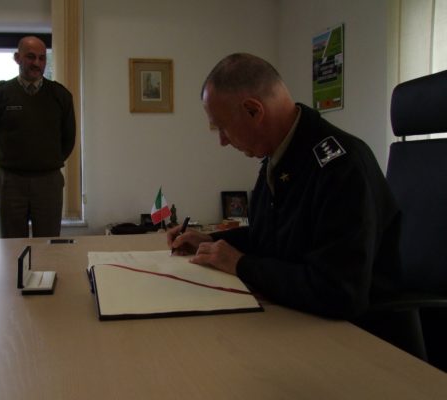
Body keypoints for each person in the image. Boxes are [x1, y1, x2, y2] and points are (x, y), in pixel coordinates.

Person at [168, 53, 401, 320]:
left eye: (223, 127)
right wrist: (210, 241)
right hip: (295, 316)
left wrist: (241, 265)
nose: (222, 141)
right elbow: (270, 240)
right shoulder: (280, 155)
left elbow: (339, 292)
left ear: (254, 111)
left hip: (360, 335)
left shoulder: (341, 167)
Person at [0, 36, 76, 238]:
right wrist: (10, 161)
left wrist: (45, 162)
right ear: (17, 58)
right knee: (12, 246)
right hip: (10, 182)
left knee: (48, 244)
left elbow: (68, 140)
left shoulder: (60, 95)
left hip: (48, 181)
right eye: (31, 57)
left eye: (42, 58)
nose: (37, 63)